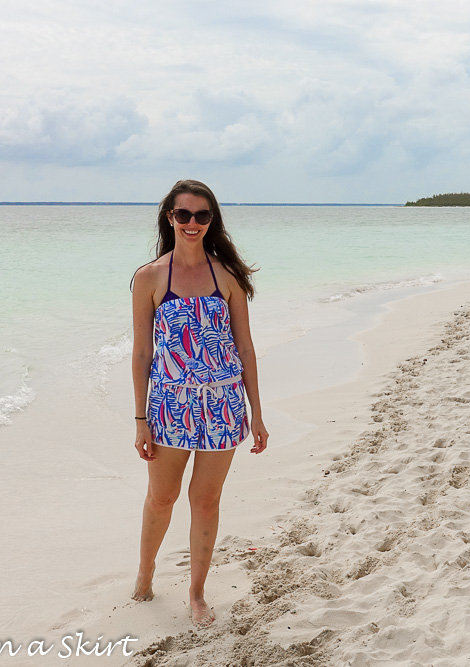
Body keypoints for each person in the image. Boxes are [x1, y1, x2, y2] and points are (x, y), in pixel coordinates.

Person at [130, 179, 268, 628]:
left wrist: (258, 413)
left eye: (202, 215)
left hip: (223, 406)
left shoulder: (225, 276)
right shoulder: (150, 277)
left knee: (205, 501)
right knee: (162, 496)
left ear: (212, 221)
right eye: (183, 214)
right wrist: (140, 419)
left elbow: (245, 348)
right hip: (169, 407)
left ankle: (196, 593)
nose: (192, 223)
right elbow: (142, 354)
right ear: (169, 217)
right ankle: (145, 574)